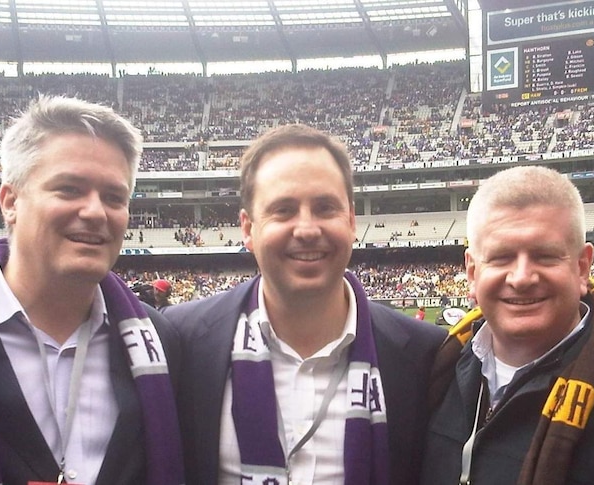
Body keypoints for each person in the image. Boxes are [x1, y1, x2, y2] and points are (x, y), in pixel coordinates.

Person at [0, 96, 184, 485]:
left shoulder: (161, 341)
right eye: (69, 189)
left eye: (114, 197)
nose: (96, 212)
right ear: (10, 202)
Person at [164, 124, 446, 485]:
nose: (307, 229)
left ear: (351, 220)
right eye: (283, 210)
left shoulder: (423, 354)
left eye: (325, 207)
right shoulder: (185, 339)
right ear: (247, 229)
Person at [421, 165, 594, 485]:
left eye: (545, 256)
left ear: (582, 267)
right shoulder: (435, 368)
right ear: (472, 273)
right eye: (501, 257)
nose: (522, 278)